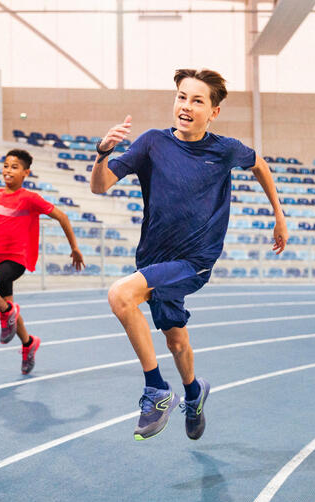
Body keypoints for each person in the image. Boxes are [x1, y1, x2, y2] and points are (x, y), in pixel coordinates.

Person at [90, 68, 288, 441]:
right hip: (153, 259)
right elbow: (100, 186)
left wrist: (279, 215)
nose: (186, 106)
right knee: (176, 341)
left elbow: (259, 163)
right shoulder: (151, 143)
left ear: (213, 112)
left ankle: (157, 390)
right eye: (182, 96)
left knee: (120, 294)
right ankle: (195, 393)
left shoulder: (224, 149)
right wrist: (103, 153)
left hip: (194, 261)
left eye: (198, 100)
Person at [0, 149, 84, 374]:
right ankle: (29, 343)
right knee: (8, 311)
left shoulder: (29, 198)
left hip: (17, 259)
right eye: (6, 165)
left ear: (26, 172)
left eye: (15, 167)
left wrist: (75, 248)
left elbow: (62, 216)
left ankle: (7, 309)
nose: (8, 170)